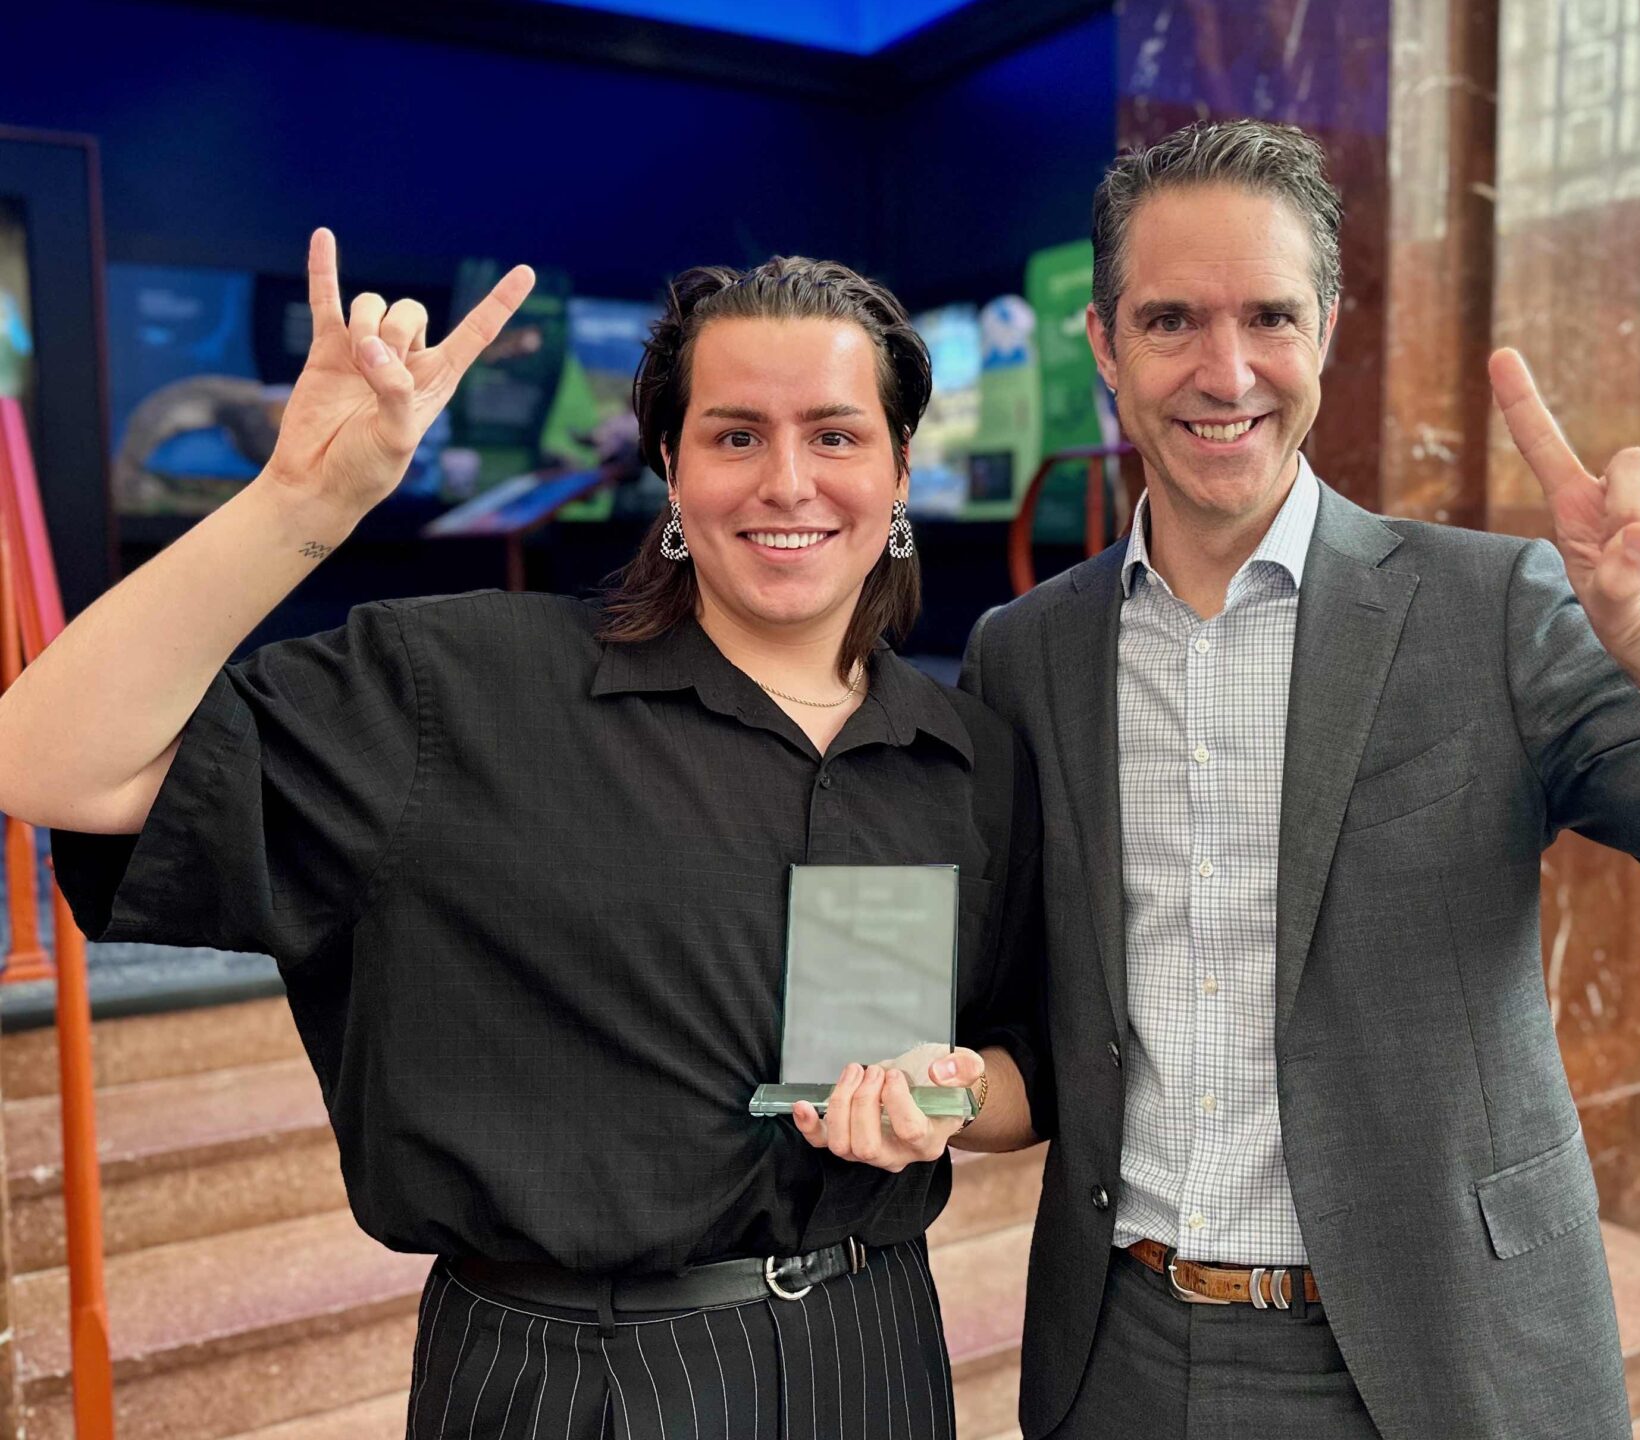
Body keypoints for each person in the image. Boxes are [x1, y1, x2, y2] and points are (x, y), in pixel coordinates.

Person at [951, 120, 1640, 1439]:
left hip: (1445, 1359)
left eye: (1269, 317)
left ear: (1331, 327)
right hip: (1121, 1357)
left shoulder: (1496, 612)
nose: (1224, 370)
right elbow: (1036, 1020)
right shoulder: (1025, 655)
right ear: (1106, 344)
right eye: (1171, 319)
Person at [0, 232, 1045, 1437]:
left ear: (901, 468)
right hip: (565, 1377)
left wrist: (947, 1100)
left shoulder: (967, 760)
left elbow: (1027, 1069)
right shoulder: (462, 691)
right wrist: (305, 499)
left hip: (873, 1357)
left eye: (837, 434)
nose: (788, 481)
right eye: (736, 434)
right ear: (671, 465)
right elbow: (47, 762)